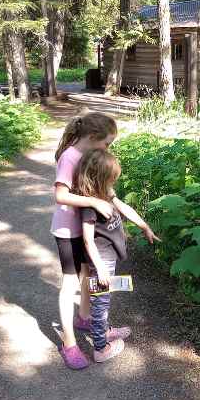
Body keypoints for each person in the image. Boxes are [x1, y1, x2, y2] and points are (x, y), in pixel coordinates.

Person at [74, 149, 160, 363]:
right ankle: (100, 348)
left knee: (104, 299)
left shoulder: (106, 193)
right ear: (99, 179)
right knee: (101, 302)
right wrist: (100, 268)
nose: (113, 183)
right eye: (111, 179)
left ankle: (103, 331)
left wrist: (143, 225)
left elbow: (123, 207)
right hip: (100, 260)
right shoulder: (89, 207)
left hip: (108, 258)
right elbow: (87, 240)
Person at [51, 112, 118, 370]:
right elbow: (61, 196)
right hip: (68, 232)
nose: (108, 148)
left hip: (87, 230)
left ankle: (85, 317)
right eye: (107, 144)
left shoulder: (89, 156)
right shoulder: (70, 157)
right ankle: (69, 343)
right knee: (70, 285)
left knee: (88, 277)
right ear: (92, 137)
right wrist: (93, 201)